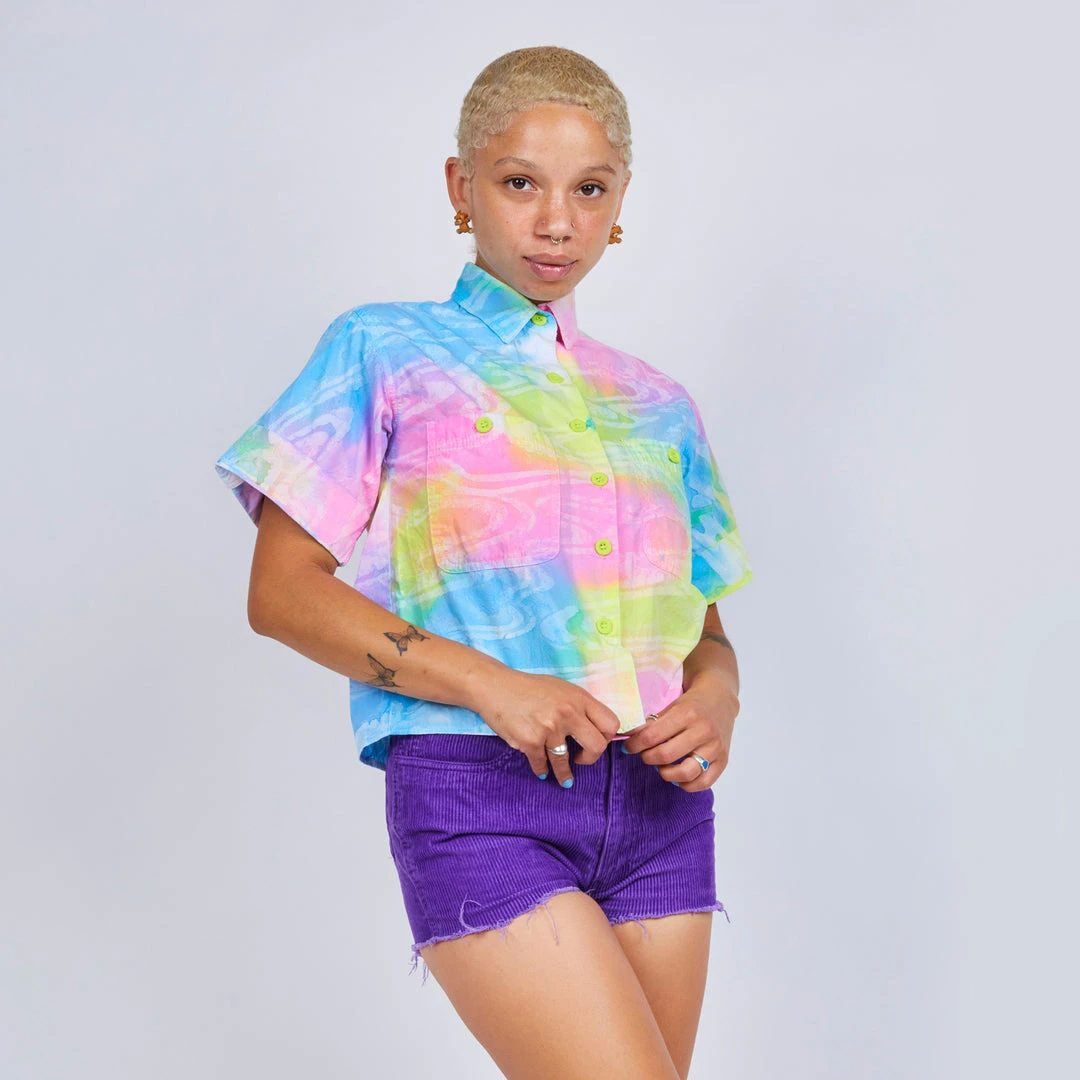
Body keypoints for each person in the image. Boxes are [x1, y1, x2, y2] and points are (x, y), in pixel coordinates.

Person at [214, 44, 752, 1080]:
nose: (556, 222)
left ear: (620, 203)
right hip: (479, 793)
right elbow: (280, 594)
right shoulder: (382, 350)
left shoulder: (658, 403)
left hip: (662, 805)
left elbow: (706, 631)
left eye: (589, 189)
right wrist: (494, 685)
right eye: (519, 183)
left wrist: (719, 698)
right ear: (461, 188)